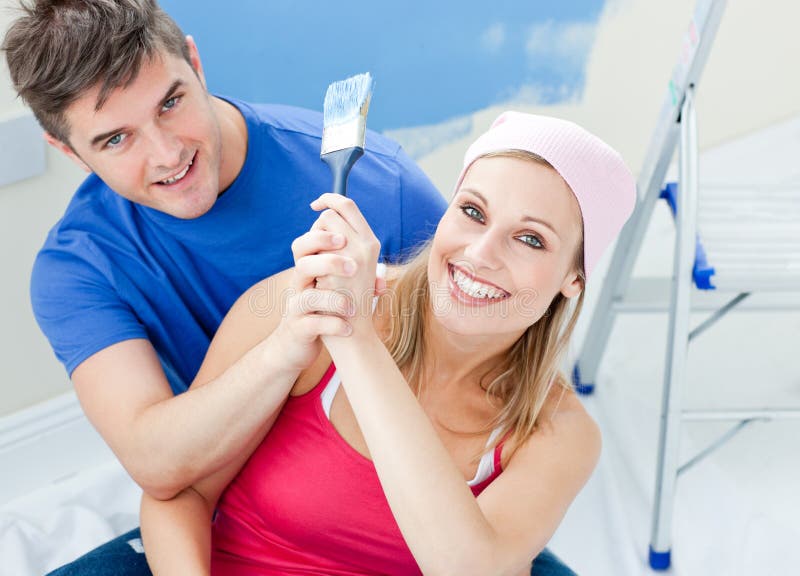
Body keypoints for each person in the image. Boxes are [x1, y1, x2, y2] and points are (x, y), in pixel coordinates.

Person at [2, 0, 445, 573]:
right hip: (224, 501)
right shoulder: (79, 268)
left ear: (194, 61)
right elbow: (160, 465)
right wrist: (285, 349)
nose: (167, 155)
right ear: (68, 151)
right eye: (116, 140)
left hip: (389, 499)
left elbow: (491, 371)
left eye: (171, 102)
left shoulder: (383, 186)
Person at [138, 111, 637, 575]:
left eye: (531, 239)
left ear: (575, 277)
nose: (481, 254)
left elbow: (468, 567)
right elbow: (178, 491)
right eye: (472, 211)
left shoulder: (559, 434)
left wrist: (357, 340)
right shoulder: (303, 306)